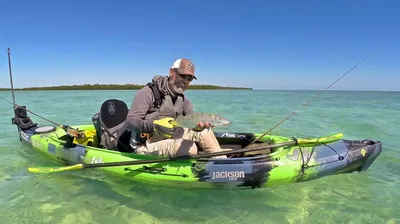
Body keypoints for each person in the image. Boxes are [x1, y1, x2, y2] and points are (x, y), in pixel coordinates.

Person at [125, 58, 229, 158]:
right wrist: (153, 125)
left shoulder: (184, 100)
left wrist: (198, 128)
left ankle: (221, 164)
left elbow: (193, 122)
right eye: (182, 75)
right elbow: (129, 122)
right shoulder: (148, 92)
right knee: (191, 148)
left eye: (189, 78)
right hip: (145, 144)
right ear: (171, 72)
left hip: (173, 137)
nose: (185, 81)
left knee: (206, 132)